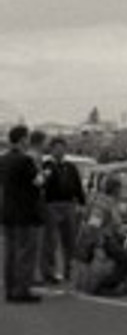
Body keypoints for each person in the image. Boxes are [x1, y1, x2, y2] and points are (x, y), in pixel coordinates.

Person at [1, 126, 44, 302]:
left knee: (10, 252)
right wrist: (43, 175)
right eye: (26, 138)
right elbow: (37, 182)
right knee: (25, 252)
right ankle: (22, 290)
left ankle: (10, 288)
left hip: (7, 211)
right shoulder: (25, 160)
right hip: (25, 211)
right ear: (22, 139)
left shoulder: (2, 160)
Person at [40, 137, 86, 284]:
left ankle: (69, 270)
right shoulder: (46, 165)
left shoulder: (71, 167)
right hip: (51, 204)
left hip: (68, 204)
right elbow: (42, 185)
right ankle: (49, 271)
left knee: (70, 240)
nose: (60, 151)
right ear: (52, 150)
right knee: (50, 241)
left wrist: (82, 202)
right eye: (57, 148)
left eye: (62, 148)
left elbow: (78, 186)